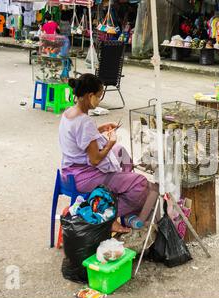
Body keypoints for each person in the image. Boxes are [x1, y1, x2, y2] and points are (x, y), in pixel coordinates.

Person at [59, 73, 158, 233]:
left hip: (68, 172)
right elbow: (96, 160)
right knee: (140, 183)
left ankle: (116, 193)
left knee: (120, 151)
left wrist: (100, 129)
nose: (99, 100)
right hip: (83, 177)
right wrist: (110, 142)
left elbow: (78, 137)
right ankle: (108, 216)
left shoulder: (69, 113)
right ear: (90, 96)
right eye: (98, 96)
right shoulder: (85, 121)